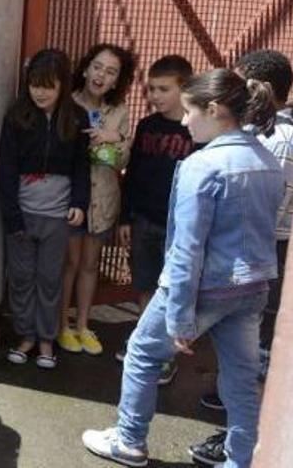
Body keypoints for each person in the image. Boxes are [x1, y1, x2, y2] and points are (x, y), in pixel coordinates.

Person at [82, 68, 283, 468]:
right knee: (242, 377)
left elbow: (187, 248)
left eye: (190, 111)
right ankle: (241, 459)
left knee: (141, 353)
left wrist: (178, 316)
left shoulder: (201, 166)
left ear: (213, 109)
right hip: (253, 285)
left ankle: (129, 440)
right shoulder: (266, 158)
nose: (186, 120)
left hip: (203, 286)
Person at [188, 49, 293, 466]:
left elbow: (267, 207)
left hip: (266, 248)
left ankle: (241, 443)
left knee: (256, 349)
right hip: (267, 249)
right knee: (248, 345)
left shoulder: (275, 139)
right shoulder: (270, 133)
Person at [0, 49, 90, 369]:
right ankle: (25, 336)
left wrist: (80, 202)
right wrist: (11, 215)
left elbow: (82, 166)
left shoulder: (76, 117)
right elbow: (5, 168)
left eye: (48, 85)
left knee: (50, 279)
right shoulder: (16, 115)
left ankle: (47, 339)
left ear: (63, 85)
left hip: (58, 216)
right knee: (21, 277)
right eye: (35, 84)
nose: (40, 92)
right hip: (23, 213)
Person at [115, 55, 195, 387]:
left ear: (184, 88)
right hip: (145, 220)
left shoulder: (196, 130)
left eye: (163, 89)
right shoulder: (147, 126)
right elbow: (132, 175)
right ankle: (146, 343)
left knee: (174, 292)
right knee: (146, 284)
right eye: (151, 89)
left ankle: (165, 357)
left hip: (180, 227)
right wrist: (125, 218)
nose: (155, 96)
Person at [58, 43, 134, 356]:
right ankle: (62, 325)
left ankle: (83, 325)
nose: (102, 74)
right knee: (69, 264)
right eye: (98, 66)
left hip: (103, 198)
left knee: (90, 265)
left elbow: (121, 162)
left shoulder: (119, 112)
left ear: (117, 81)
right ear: (87, 68)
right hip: (70, 199)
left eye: (111, 71)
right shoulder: (67, 102)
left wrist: (113, 140)